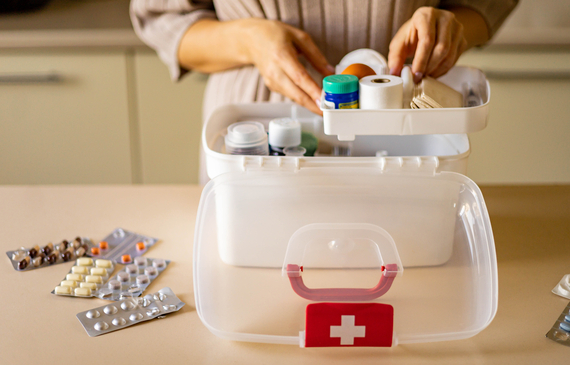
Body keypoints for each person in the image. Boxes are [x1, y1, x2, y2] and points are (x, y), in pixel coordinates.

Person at [130, 0, 517, 182]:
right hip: (257, 131)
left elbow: (487, 5)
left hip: (406, 139)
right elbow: (162, 19)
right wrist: (249, 40)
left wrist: (450, 27)